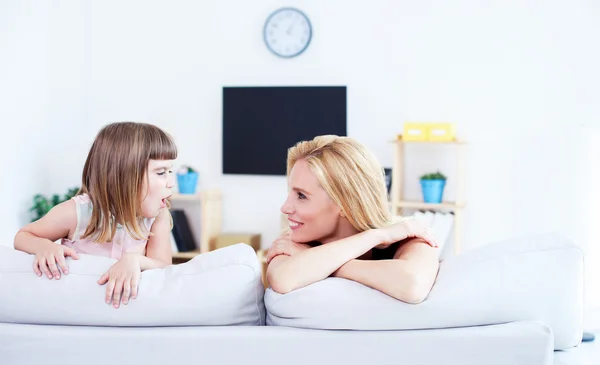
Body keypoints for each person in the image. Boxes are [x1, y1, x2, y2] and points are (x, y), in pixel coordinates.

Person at [14, 121, 176, 309]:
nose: (171, 182)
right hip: (78, 305)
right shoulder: (77, 212)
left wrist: (135, 260)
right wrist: (43, 246)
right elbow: (23, 236)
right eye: (161, 172)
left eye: (170, 171)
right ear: (125, 175)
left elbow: (165, 267)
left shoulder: (158, 217)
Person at [266, 135, 440, 304]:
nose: (285, 208)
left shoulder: (409, 237)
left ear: (345, 203)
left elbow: (412, 285)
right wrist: (374, 236)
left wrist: (320, 263)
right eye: (291, 193)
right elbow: (283, 279)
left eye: (301, 196)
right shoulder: (290, 241)